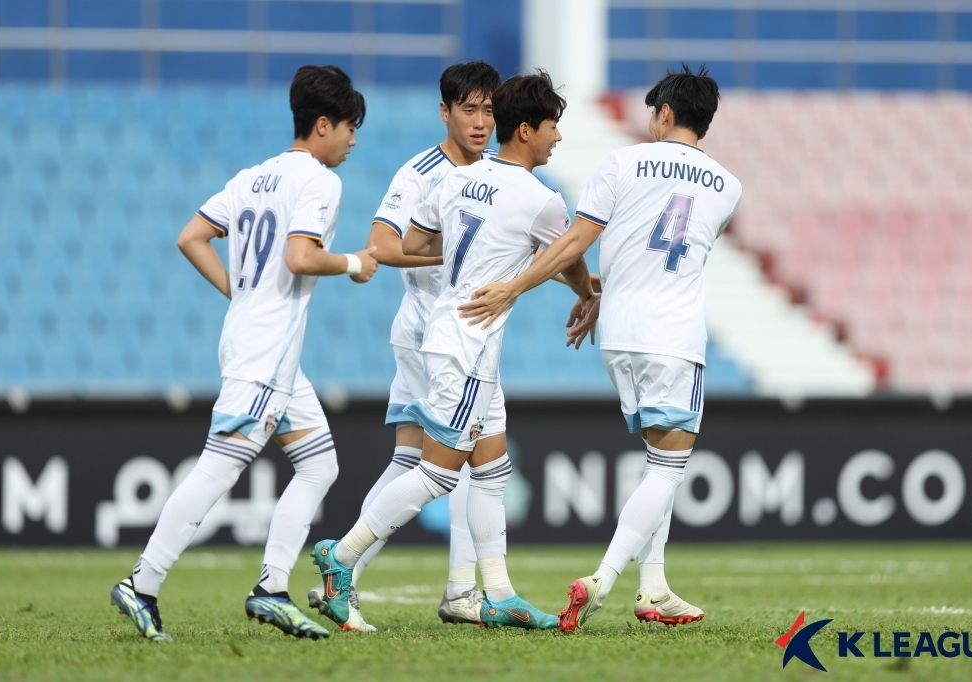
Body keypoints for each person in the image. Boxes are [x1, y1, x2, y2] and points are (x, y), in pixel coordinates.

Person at [457, 64, 742, 631]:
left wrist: (555, 291)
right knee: (669, 467)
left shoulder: (620, 161)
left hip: (617, 333)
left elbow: (577, 242)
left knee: (657, 461)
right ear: (704, 123)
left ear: (663, 114)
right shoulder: (729, 186)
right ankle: (604, 580)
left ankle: (654, 587)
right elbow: (676, 255)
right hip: (675, 336)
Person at [310, 71, 595, 630]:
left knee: (491, 472)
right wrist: (589, 294)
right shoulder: (542, 199)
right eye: (553, 127)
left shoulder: (460, 180)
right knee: (439, 474)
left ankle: (499, 592)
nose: (557, 138)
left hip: (452, 336)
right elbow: (571, 255)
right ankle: (339, 559)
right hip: (466, 343)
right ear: (528, 129)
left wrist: (478, 249)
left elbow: (413, 243)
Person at [110, 65, 378, 642]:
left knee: (320, 463)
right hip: (264, 353)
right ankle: (142, 583)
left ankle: (271, 589)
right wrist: (355, 263)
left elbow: (191, 237)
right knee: (218, 468)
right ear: (323, 124)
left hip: (258, 343)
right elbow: (302, 258)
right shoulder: (320, 181)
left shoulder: (252, 177)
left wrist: (242, 293)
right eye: (350, 127)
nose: (354, 139)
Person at [307, 61, 501, 632]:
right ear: (445, 112)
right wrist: (460, 257)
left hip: (460, 333)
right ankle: (461, 590)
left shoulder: (493, 171)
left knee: (412, 461)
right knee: (466, 462)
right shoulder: (421, 172)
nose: (481, 121)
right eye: (469, 109)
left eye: (490, 109)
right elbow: (380, 246)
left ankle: (342, 576)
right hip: (434, 335)